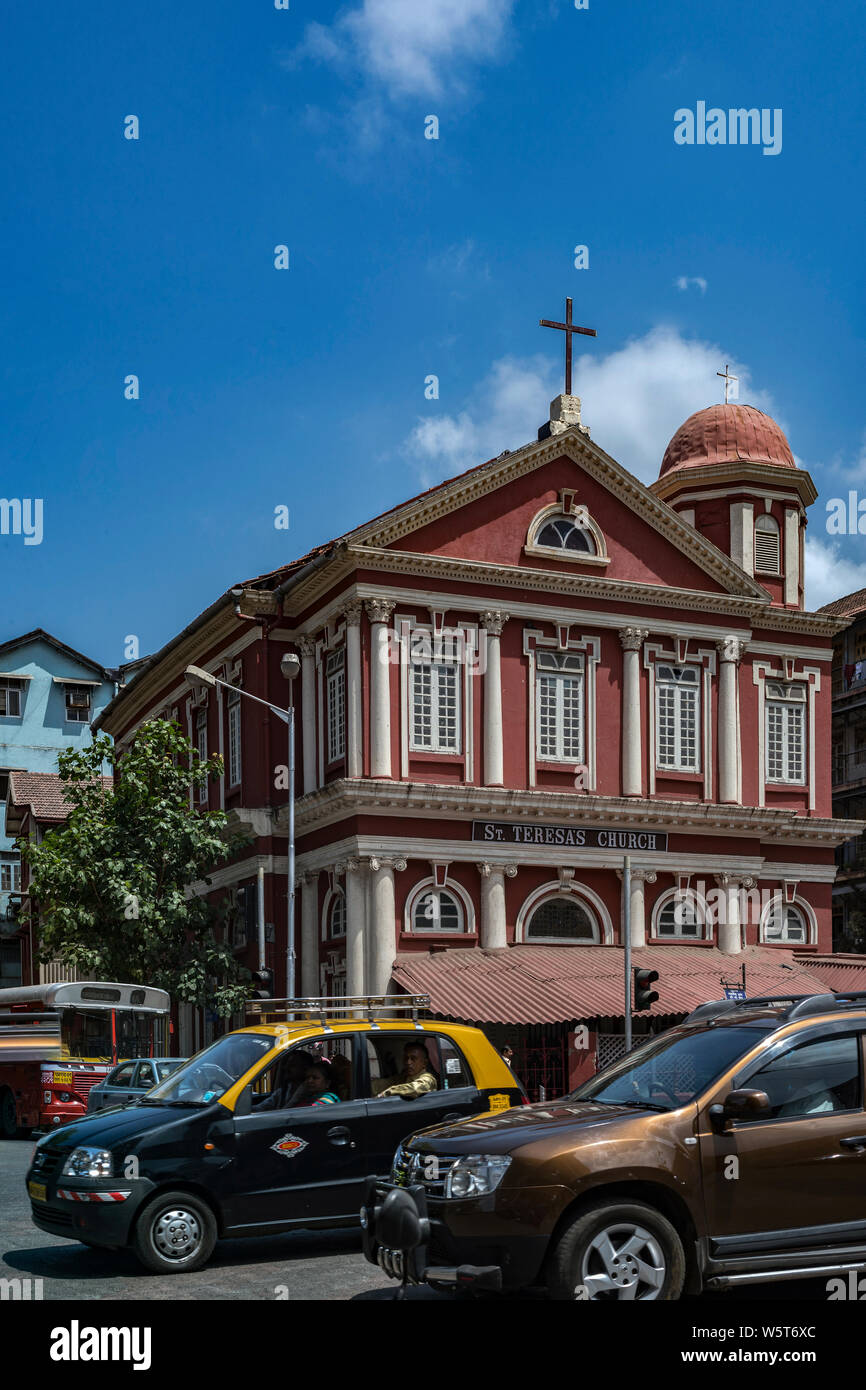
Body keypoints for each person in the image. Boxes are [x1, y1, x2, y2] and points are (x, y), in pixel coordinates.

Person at [373, 1042, 439, 1099]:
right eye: (406, 1058)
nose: (408, 1062)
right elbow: (383, 1083)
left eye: (413, 1058)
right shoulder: (403, 1077)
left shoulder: (428, 1079)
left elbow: (415, 1088)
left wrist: (388, 1092)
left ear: (424, 1063)